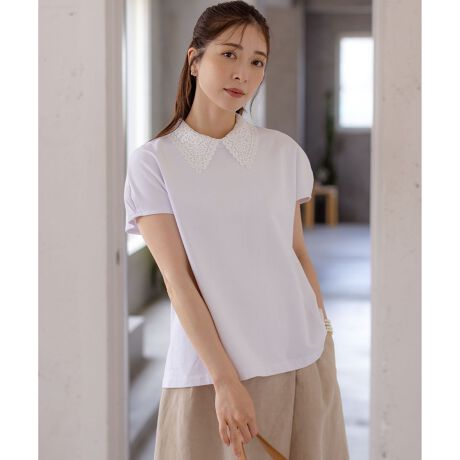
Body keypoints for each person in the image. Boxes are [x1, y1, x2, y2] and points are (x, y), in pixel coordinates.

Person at [123, 1, 349, 459]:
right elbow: (178, 282)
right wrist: (225, 381)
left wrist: (322, 330)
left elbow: (296, 252)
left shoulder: (283, 153)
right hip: (211, 374)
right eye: (229, 54)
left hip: (302, 358)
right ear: (194, 60)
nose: (242, 73)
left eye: (257, 62)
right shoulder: (154, 163)